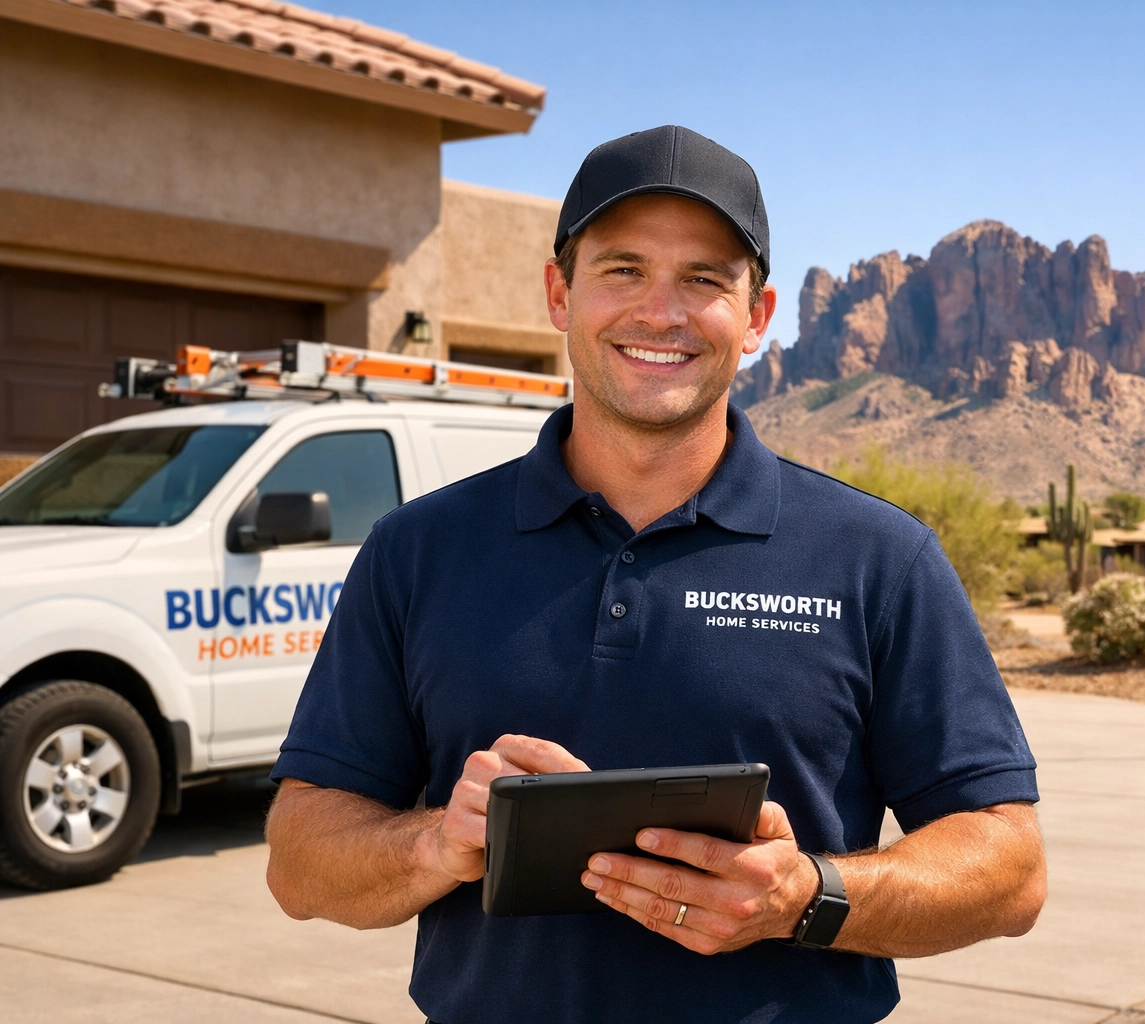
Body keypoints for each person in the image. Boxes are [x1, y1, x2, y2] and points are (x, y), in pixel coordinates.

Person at [265, 125, 1046, 1024]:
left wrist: (809, 896)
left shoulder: (879, 557)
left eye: (705, 280)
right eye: (623, 270)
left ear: (756, 318)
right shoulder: (417, 550)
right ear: (561, 294)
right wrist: (435, 843)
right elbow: (299, 860)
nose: (661, 314)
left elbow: (1010, 867)